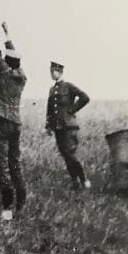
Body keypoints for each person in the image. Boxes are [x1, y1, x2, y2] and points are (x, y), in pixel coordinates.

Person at [0, 11, 27, 221]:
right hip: (15, 122)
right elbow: (11, 54)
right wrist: (7, 33)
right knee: (15, 163)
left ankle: (7, 206)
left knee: (0, 164)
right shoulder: (21, 76)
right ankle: (20, 202)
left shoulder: (3, 72)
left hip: (1, 122)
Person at [46, 61, 91, 190]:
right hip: (58, 127)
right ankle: (75, 182)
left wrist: (72, 110)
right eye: (50, 71)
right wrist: (48, 125)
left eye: (53, 71)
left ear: (60, 72)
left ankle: (83, 179)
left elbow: (85, 97)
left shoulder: (68, 86)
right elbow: (49, 109)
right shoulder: (52, 89)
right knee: (65, 155)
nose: (51, 73)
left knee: (70, 154)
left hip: (69, 126)